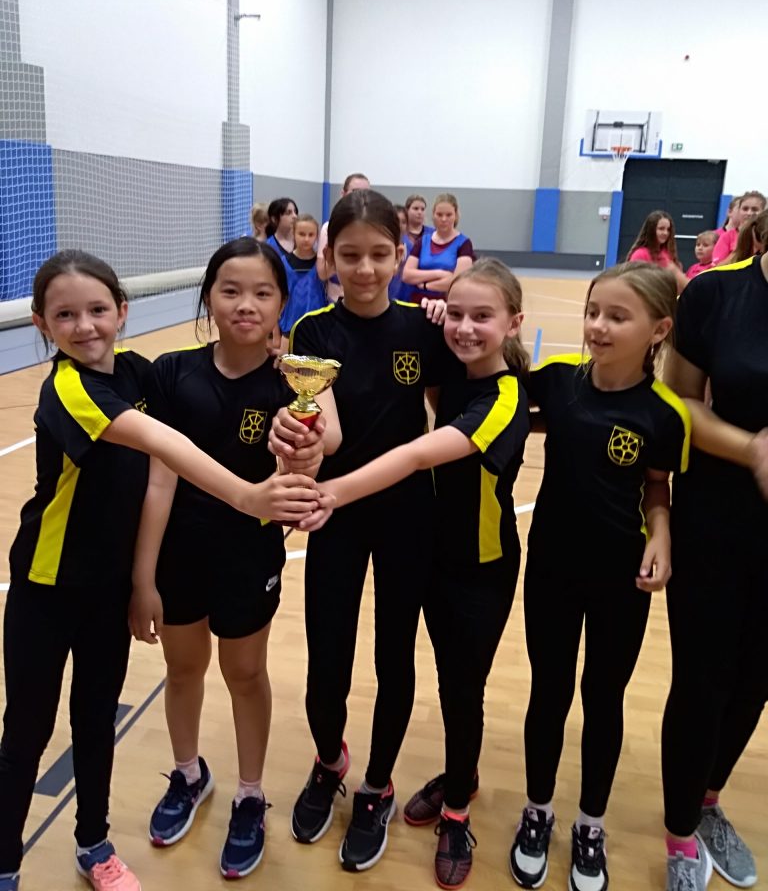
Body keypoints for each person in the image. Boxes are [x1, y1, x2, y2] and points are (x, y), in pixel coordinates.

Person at [0, 251, 320, 891]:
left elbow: (205, 407)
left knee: (97, 722)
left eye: (98, 310)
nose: (85, 326)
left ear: (122, 311)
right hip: (47, 587)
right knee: (27, 731)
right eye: (65, 315)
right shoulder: (68, 388)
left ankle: (94, 845)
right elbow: (162, 444)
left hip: (108, 590)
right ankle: (6, 865)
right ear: (41, 323)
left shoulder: (141, 373)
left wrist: (282, 380)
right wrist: (248, 496)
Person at [299, 258, 530, 889]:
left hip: (479, 568)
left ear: (514, 323)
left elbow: (416, 454)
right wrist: (437, 316)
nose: (465, 327)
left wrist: (332, 493)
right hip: (427, 549)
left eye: (482, 317)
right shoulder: (452, 371)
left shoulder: (504, 396)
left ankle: (457, 811)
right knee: (404, 664)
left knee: (462, 691)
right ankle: (451, 776)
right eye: (456, 314)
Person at [269, 189, 462, 874]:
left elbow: (445, 416)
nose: (366, 268)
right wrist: (299, 442)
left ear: (401, 253)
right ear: (330, 257)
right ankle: (330, 762)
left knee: (393, 656)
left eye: (380, 254)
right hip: (335, 510)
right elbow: (322, 425)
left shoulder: (424, 329)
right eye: (350, 255)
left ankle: (377, 786)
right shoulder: (313, 332)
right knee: (327, 655)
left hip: (408, 513)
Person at [127, 239, 323, 879]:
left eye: (262, 293)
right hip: (179, 555)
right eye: (230, 291)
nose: (245, 304)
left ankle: (250, 794)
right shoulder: (171, 373)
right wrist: (143, 577)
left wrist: (305, 452)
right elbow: (160, 479)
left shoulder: (296, 383)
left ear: (282, 303)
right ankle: (188, 774)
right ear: (208, 297)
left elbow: (314, 458)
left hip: (249, 556)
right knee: (183, 668)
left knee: (244, 673)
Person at [508, 262, 690, 891]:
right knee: (548, 692)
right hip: (550, 568)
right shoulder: (557, 380)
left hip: (621, 580)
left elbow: (658, 487)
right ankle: (537, 811)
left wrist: (661, 533)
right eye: (593, 312)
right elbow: (492, 380)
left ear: (658, 329)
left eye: (617, 316)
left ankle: (590, 823)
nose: (598, 326)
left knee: (603, 698)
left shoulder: (665, 414)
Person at [660, 245, 768, 891]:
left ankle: (707, 802)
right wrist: (755, 450)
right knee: (703, 682)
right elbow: (678, 406)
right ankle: (679, 832)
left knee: (757, 679)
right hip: (715, 522)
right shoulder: (714, 294)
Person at [402, 194, 476, 301]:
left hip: (447, 304)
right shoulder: (423, 241)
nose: (444, 219)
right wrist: (439, 274)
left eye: (448, 215)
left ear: (456, 215)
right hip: (418, 303)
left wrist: (425, 285)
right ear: (433, 215)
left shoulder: (464, 243)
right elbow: (407, 275)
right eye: (439, 214)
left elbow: (459, 282)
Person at [317, 173, 370, 302]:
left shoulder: (374, 230)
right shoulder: (329, 229)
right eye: (355, 191)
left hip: (366, 300)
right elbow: (322, 273)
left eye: (366, 193)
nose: (360, 197)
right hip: (337, 300)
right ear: (343, 194)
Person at [279, 215, 327, 349]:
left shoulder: (321, 265)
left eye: (311, 235)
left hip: (317, 326)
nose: (306, 239)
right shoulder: (283, 262)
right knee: (285, 363)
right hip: (289, 326)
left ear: (317, 236)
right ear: (293, 234)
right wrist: (276, 334)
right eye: (301, 234)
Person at [626, 211, 688, 292]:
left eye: (668, 229)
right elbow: (632, 282)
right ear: (651, 230)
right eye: (661, 229)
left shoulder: (668, 253)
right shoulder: (640, 254)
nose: (665, 233)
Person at [711, 190, 766, 265]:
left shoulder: (765, 237)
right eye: (745, 209)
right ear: (739, 211)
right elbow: (718, 267)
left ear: (763, 212)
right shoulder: (727, 237)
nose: (749, 213)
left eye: (754, 209)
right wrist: (740, 249)